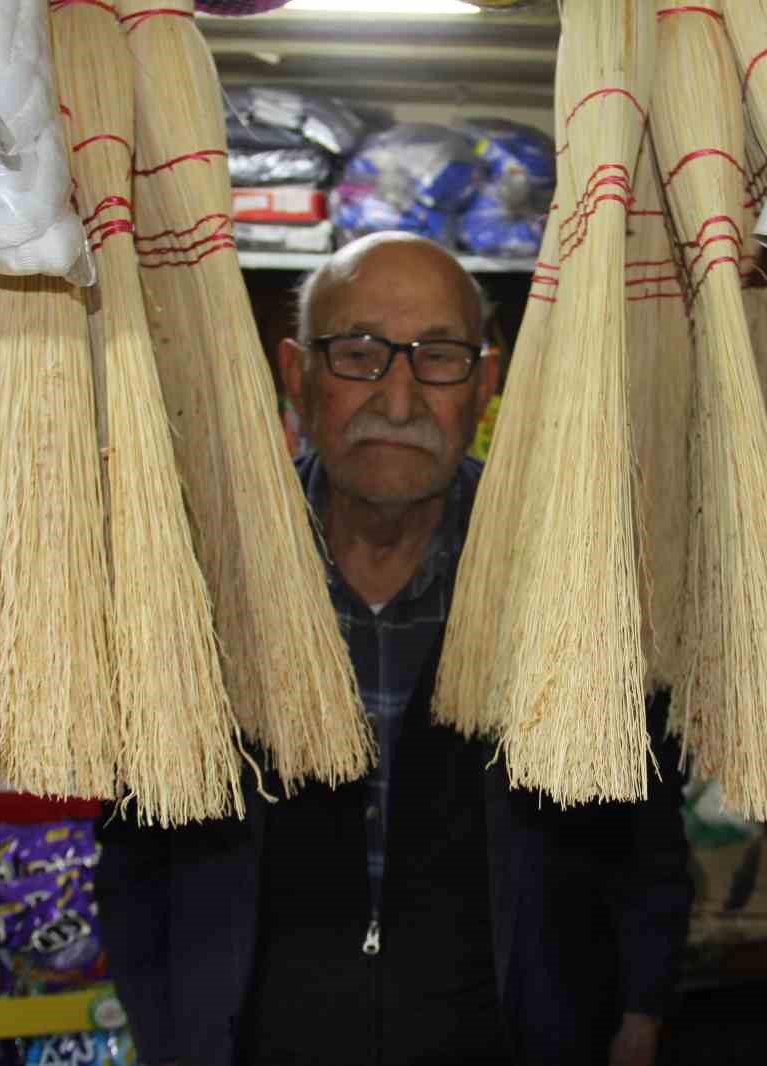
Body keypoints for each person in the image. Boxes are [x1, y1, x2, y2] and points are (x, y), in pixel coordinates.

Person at [93, 232, 693, 1066]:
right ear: (294, 373)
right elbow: (135, 844)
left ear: (485, 384)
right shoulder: (203, 573)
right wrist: (166, 1030)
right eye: (359, 353)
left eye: (439, 356)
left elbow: (646, 833)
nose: (401, 399)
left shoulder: (570, 570)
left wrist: (638, 1017)